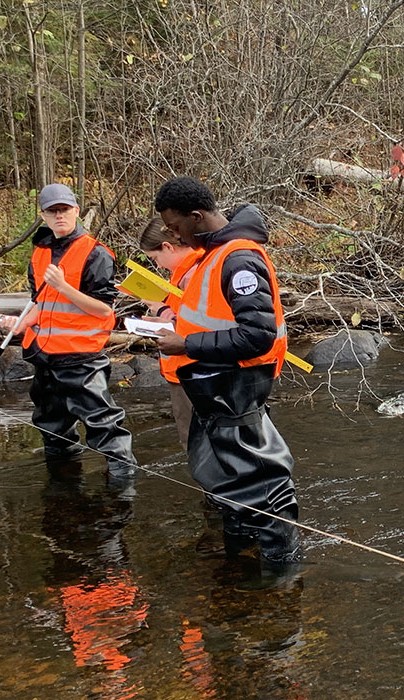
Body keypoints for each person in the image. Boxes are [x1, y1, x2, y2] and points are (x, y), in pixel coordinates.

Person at [152, 176, 300, 588]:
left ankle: (282, 569)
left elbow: (258, 335)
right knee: (226, 477)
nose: (172, 234)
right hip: (213, 386)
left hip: (239, 384)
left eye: (174, 225)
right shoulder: (209, 255)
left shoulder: (238, 260)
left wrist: (186, 343)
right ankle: (242, 559)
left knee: (260, 477)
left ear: (196, 216)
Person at [0, 183, 136, 476]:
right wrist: (21, 322)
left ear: (76, 210)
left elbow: (103, 310)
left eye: (64, 209)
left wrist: (63, 286)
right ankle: (62, 485)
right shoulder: (40, 252)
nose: (59, 216)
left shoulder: (96, 254)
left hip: (81, 357)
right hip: (44, 355)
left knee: (103, 424)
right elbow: (41, 305)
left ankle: (124, 485)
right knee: (51, 426)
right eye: (53, 211)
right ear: (43, 215)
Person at [137, 224, 203, 447]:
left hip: (191, 370)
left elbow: (195, 325)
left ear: (168, 246)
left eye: (155, 257)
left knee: (194, 443)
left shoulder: (194, 272)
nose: (157, 264)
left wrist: (161, 311)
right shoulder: (186, 270)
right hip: (189, 369)